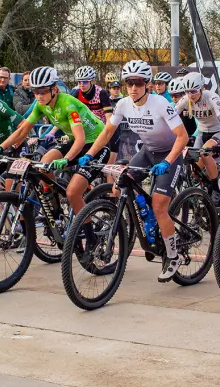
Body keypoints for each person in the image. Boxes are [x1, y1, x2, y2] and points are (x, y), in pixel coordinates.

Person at [79, 60, 190, 281]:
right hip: (147, 152)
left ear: (147, 84)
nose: (133, 88)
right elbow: (107, 132)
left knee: (159, 205)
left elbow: (182, 136)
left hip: (170, 153)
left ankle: (173, 255)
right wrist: (90, 154)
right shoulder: (123, 104)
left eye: (138, 83)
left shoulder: (160, 103)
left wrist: (168, 162)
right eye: (129, 83)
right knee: (118, 186)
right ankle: (143, 220)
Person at [0, 66, 109, 222]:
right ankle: (56, 209)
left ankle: (89, 234)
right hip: (76, 141)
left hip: (97, 144)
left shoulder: (68, 104)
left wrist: (66, 159)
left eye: (43, 91)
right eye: (35, 92)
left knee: (73, 193)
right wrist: (1, 147)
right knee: (43, 165)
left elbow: (80, 139)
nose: (39, 96)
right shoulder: (40, 104)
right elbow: (23, 130)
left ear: (54, 89)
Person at [176, 72, 220, 203]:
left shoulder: (212, 97)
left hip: (217, 131)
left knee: (204, 153)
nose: (190, 95)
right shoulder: (185, 100)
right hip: (202, 132)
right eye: (187, 91)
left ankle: (216, 189)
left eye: (194, 91)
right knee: (194, 169)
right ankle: (204, 190)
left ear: (202, 88)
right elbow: (169, 118)